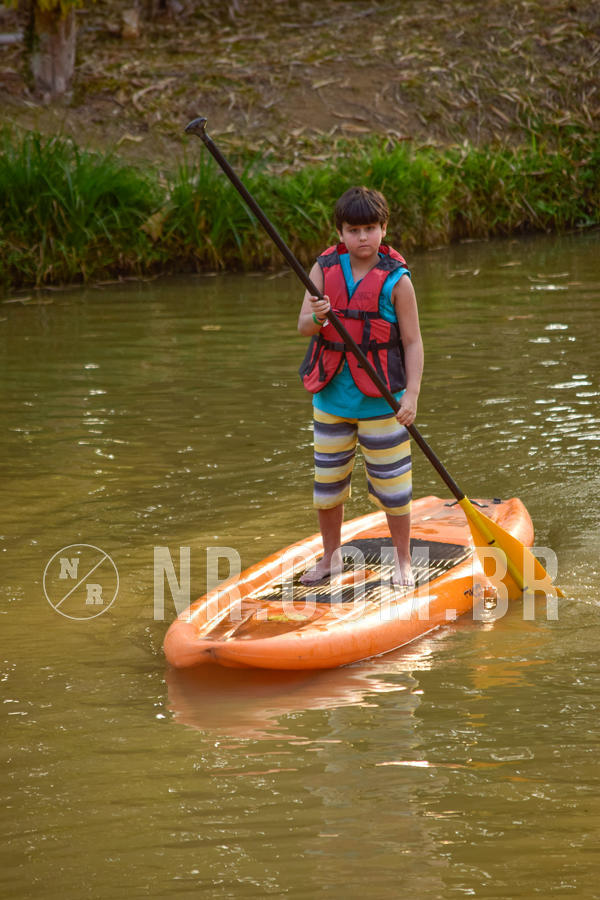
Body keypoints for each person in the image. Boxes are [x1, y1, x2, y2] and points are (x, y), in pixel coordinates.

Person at [297, 186, 424, 587]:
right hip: (331, 399)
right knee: (327, 488)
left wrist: (413, 397)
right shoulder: (322, 269)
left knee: (394, 491)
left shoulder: (397, 281)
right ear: (341, 233)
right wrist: (318, 317)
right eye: (354, 230)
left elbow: (413, 342)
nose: (363, 237)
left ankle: (402, 561)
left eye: (371, 228)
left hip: (384, 403)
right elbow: (303, 326)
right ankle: (331, 558)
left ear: (384, 229)